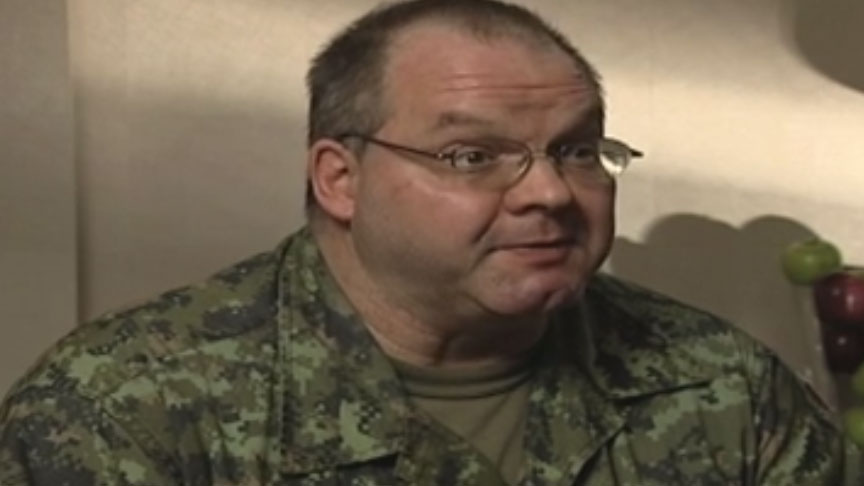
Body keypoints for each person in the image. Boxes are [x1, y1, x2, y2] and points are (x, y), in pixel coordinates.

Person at [1, 0, 860, 484]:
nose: (551, 192)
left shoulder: (722, 385)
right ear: (340, 179)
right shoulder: (124, 407)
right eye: (472, 156)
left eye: (575, 150)